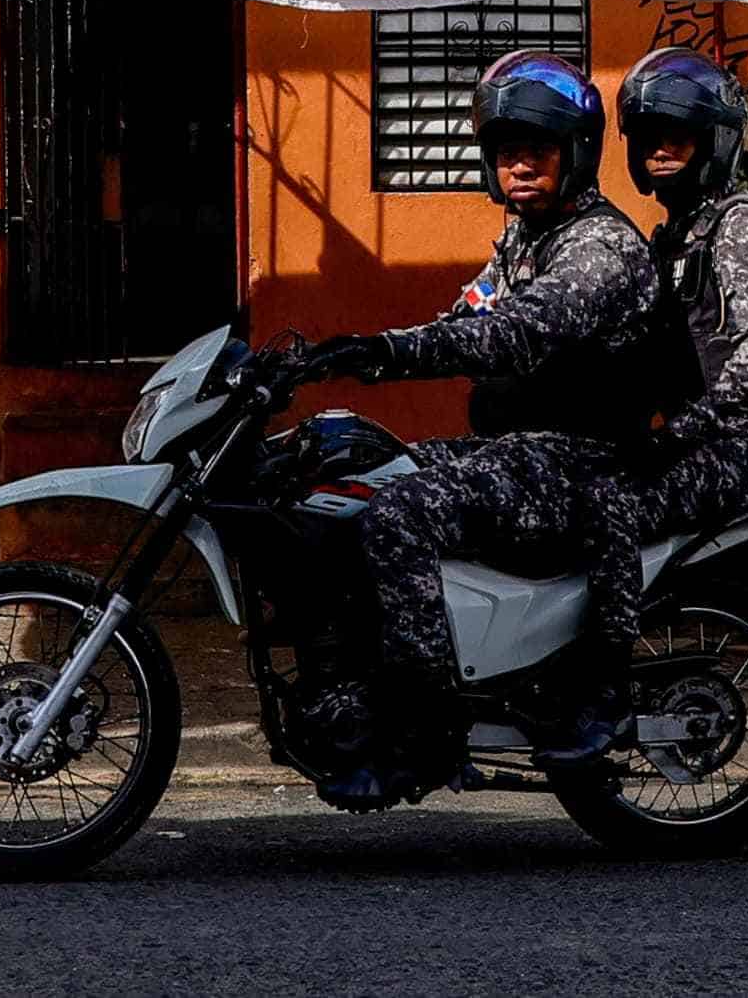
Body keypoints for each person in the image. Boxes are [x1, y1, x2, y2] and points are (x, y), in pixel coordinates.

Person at [267, 49, 654, 806]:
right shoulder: (523, 239)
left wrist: (381, 353)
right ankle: (355, 693)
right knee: (348, 476)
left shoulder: (600, 247)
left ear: (575, 153)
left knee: (400, 514)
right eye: (506, 152)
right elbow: (461, 318)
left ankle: (423, 730)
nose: (519, 166)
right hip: (517, 452)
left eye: (536, 151)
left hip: (579, 460)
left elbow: (511, 335)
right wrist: (329, 357)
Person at [581, 48, 748, 701]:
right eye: (648, 135)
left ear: (712, 141)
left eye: (676, 135)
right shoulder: (682, 233)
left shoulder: (743, 227)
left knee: (602, 504)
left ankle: (596, 692)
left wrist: (683, 428)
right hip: (710, 443)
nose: (660, 148)